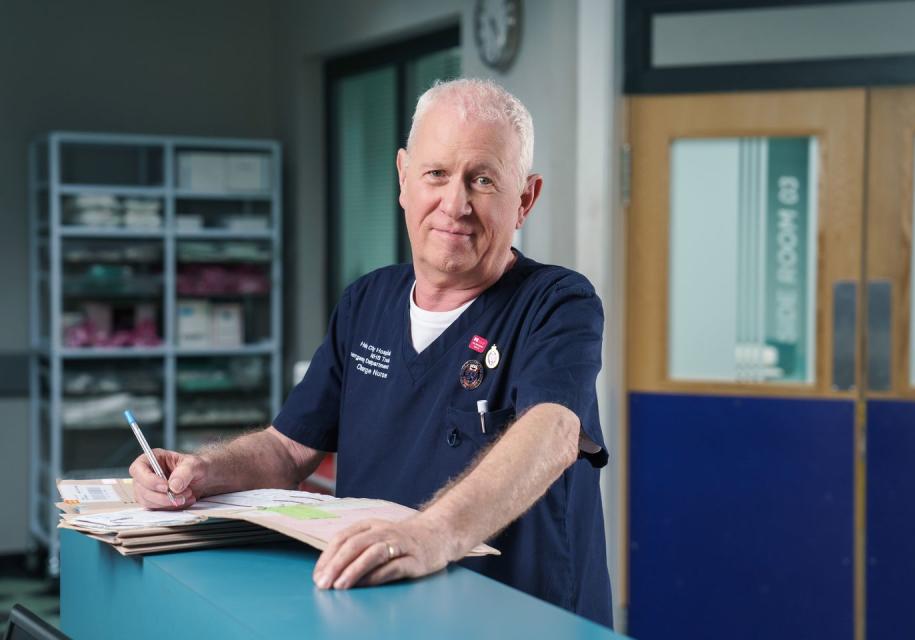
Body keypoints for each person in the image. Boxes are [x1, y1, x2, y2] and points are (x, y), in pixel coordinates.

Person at [129, 78, 612, 626]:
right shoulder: (367, 302)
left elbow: (551, 433)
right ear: (404, 178)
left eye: (482, 180)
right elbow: (288, 451)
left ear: (524, 198)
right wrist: (202, 470)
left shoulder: (557, 303)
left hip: (516, 620)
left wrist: (434, 534)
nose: (455, 204)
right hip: (380, 611)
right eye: (436, 174)